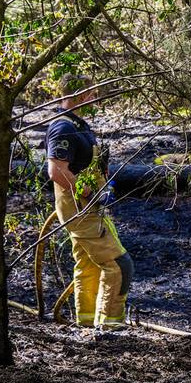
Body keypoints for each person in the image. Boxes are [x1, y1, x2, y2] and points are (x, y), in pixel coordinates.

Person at [46, 73, 133, 329]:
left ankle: (86, 323)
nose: (94, 98)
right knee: (119, 265)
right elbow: (56, 170)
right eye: (91, 93)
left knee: (88, 265)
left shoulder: (78, 125)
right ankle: (110, 325)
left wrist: (103, 187)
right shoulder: (63, 127)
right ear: (79, 95)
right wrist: (86, 193)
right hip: (80, 209)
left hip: (89, 208)